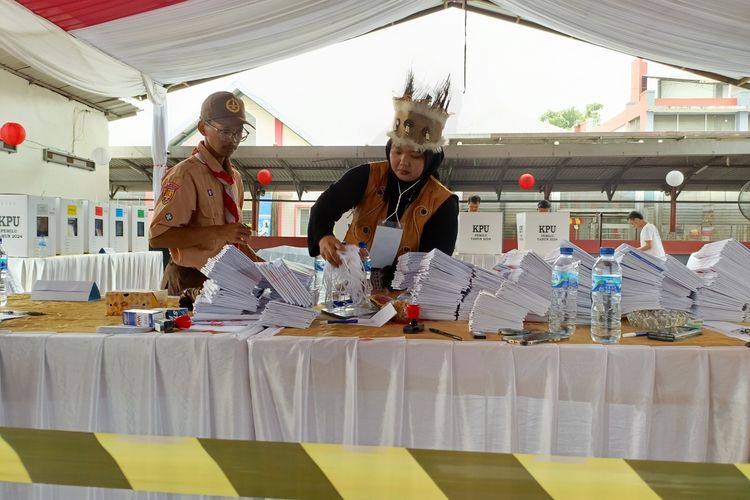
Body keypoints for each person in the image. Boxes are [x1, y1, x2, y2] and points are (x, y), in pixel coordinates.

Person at [307, 72, 459, 287]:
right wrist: (323, 236)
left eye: (415, 155)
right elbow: (324, 207)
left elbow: (435, 264)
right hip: (351, 284)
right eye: (397, 151)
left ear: (430, 158)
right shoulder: (366, 176)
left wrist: (391, 280)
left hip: (405, 295)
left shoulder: (442, 202)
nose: (403, 161)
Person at [150, 91, 263, 295]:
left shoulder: (234, 179)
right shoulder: (184, 175)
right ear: (203, 128)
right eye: (225, 132)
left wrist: (260, 265)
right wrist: (220, 231)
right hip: (189, 279)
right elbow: (158, 237)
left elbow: (231, 239)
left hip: (226, 281)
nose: (233, 139)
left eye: (239, 132)